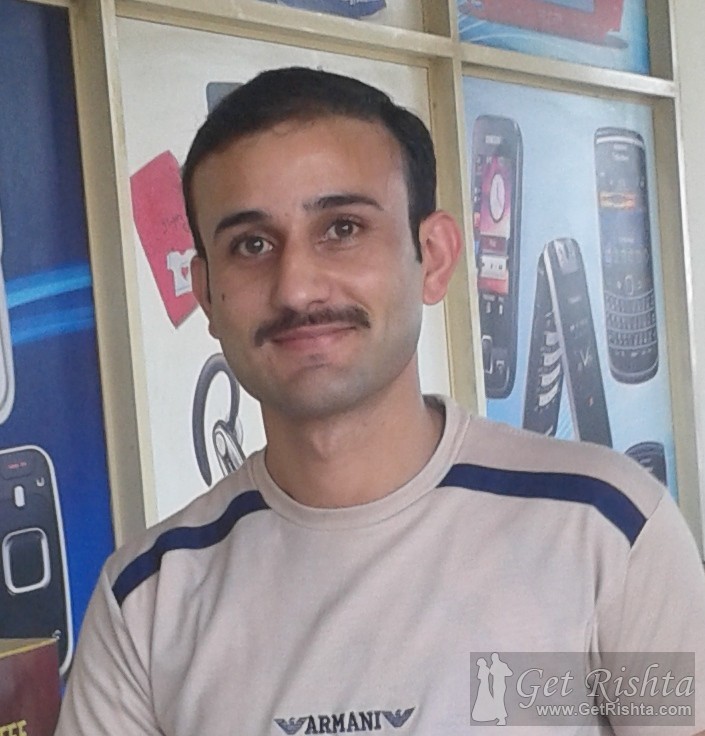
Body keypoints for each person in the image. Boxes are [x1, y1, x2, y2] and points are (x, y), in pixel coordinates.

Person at [55, 67, 705, 735]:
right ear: (206, 294)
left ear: (433, 256)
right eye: (251, 245)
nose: (296, 287)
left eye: (342, 229)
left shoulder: (604, 531)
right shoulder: (146, 602)